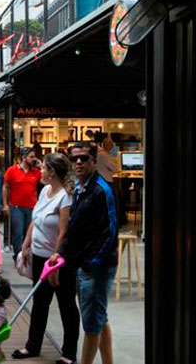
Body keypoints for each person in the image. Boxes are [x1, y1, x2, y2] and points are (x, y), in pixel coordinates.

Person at [49, 142, 118, 364]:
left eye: (84, 158)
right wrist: (65, 256)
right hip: (83, 266)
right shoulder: (80, 189)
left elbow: (109, 233)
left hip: (95, 268)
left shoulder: (100, 190)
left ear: (93, 162)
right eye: (75, 158)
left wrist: (90, 264)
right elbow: (75, 231)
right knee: (99, 318)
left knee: (90, 324)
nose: (79, 162)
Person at [13, 153, 79, 364]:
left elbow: (63, 232)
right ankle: (33, 346)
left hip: (57, 261)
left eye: (43, 168)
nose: (39, 170)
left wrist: (56, 257)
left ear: (52, 172)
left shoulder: (66, 197)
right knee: (40, 303)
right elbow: (36, 219)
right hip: (39, 256)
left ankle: (69, 353)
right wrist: (26, 244)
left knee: (66, 304)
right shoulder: (45, 191)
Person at [2, 147, 41, 261]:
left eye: (34, 157)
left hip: (32, 207)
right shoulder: (12, 170)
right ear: (24, 158)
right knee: (17, 234)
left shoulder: (36, 172)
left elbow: (46, 180)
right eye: (31, 157)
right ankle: (18, 257)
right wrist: (5, 204)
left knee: (29, 234)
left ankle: (27, 255)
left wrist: (42, 166)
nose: (34, 159)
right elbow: (5, 186)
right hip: (17, 207)